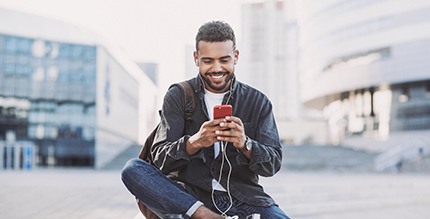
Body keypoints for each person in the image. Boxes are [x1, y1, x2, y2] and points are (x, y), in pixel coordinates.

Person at [122, 20, 290, 219]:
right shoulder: (178, 95)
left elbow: (272, 165)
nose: (217, 68)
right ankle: (206, 217)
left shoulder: (257, 102)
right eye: (208, 61)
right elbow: (159, 158)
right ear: (196, 58)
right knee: (132, 169)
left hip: (244, 198)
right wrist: (195, 142)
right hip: (188, 197)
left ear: (235, 56)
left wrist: (245, 144)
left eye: (224, 60)